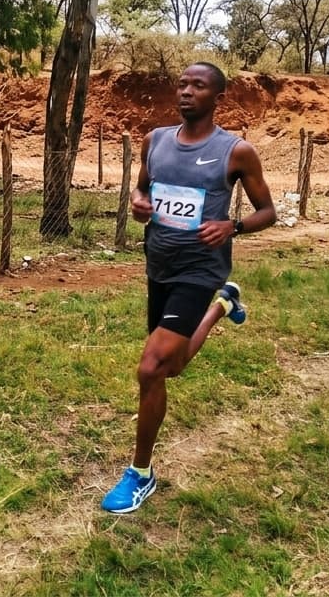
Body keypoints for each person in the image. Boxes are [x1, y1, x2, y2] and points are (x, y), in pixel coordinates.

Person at [100, 62, 276, 515]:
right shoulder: (155, 140)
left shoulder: (236, 151)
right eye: (181, 84)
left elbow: (267, 212)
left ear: (218, 98)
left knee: (152, 368)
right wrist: (139, 204)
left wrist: (231, 226)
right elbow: (143, 192)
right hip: (159, 263)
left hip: (199, 269)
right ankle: (223, 306)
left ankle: (140, 474)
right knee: (172, 367)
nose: (186, 92)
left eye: (198, 86)